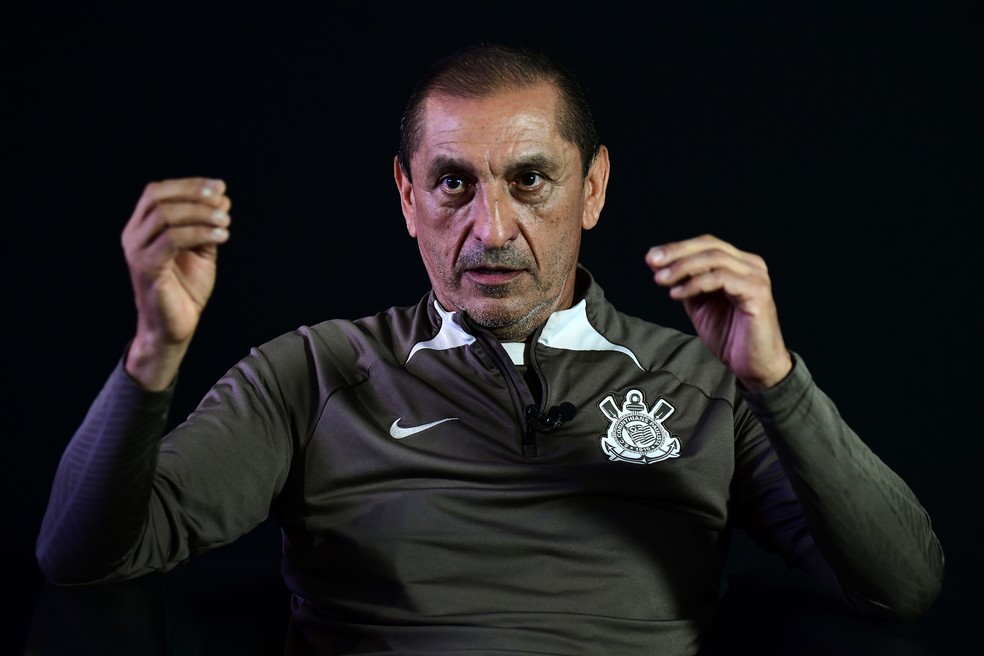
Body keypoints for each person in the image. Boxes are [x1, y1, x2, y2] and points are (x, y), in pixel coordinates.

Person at [36, 43, 943, 655]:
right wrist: (152, 353)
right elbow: (82, 555)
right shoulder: (314, 372)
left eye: (530, 179)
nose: (492, 228)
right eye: (453, 184)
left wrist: (777, 383)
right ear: (407, 198)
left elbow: (903, 586)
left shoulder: (704, 380)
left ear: (593, 189)